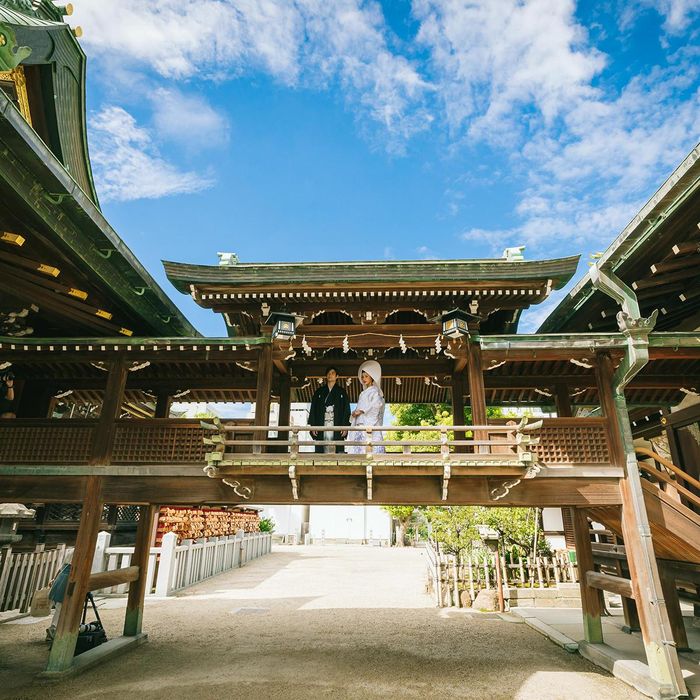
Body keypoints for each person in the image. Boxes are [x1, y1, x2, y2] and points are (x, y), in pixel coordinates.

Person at [309, 366, 351, 453]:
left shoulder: (342, 392)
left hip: (337, 422)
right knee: (321, 446)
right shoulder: (319, 391)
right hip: (322, 422)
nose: (330, 375)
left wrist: (345, 426)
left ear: (337, 376)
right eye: (328, 373)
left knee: (337, 446)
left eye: (332, 373)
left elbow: (346, 410)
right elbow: (313, 408)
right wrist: (313, 425)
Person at [347, 360, 385, 454]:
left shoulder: (375, 392)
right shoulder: (362, 393)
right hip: (360, 422)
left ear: (372, 377)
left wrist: (362, 411)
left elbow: (376, 404)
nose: (364, 379)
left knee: (371, 445)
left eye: (366, 376)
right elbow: (359, 407)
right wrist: (354, 413)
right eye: (362, 377)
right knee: (360, 448)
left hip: (369, 422)